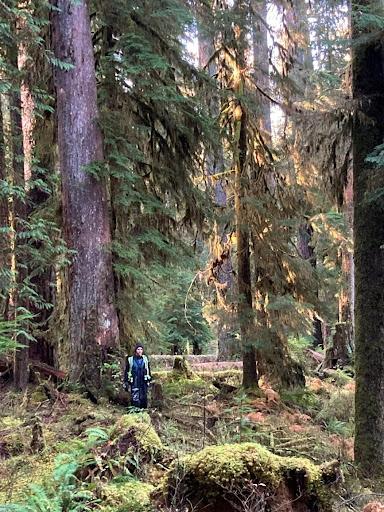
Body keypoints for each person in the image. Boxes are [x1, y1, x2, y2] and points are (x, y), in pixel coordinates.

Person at [124, 343, 152, 409]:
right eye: (138, 349)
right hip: (134, 380)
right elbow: (127, 371)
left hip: (143, 380)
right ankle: (135, 410)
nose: (140, 351)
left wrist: (149, 379)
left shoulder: (145, 359)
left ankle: (144, 411)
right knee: (135, 396)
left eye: (141, 349)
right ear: (135, 350)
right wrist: (126, 381)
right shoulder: (130, 359)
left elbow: (148, 369)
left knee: (143, 396)